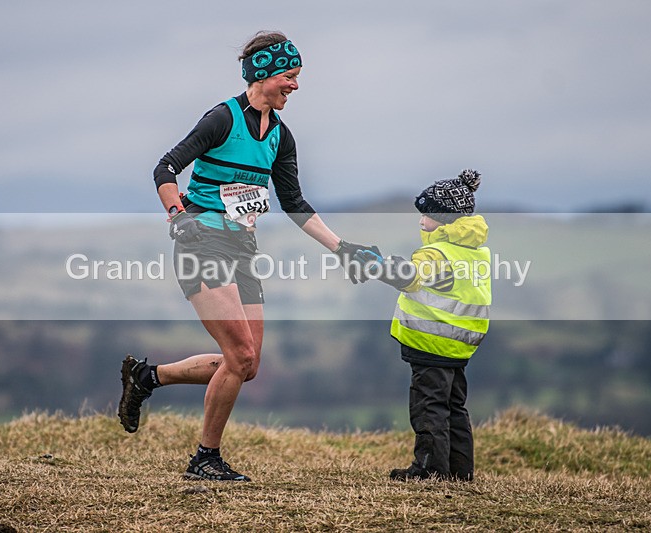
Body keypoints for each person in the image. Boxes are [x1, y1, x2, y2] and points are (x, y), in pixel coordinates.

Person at [117, 30, 378, 482]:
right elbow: (165, 168)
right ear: (263, 75)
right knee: (237, 355)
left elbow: (295, 204)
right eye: (289, 76)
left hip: (242, 247)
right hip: (201, 240)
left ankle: (147, 378)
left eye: (297, 77)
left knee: (248, 364)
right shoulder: (221, 119)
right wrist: (177, 212)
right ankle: (204, 459)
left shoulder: (281, 136)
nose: (296, 85)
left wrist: (344, 249)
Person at [355, 169, 490, 481]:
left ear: (444, 220)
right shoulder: (475, 251)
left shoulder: (437, 252)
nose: (421, 221)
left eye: (427, 215)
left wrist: (377, 266)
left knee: (428, 408)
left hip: (432, 344)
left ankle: (429, 469)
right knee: (454, 407)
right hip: (459, 346)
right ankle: (460, 470)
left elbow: (410, 276)